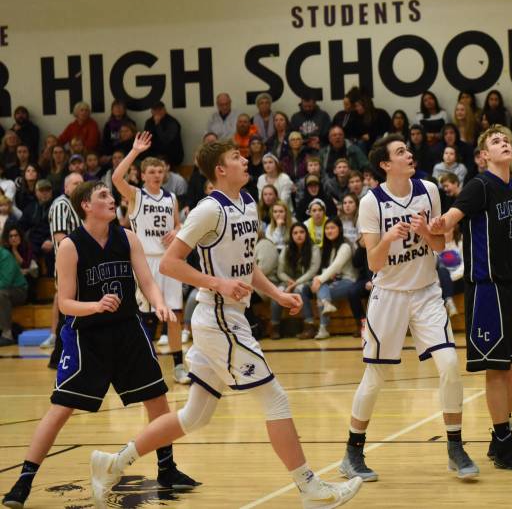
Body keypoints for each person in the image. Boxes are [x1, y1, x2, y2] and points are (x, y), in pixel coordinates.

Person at [89, 140, 362, 508]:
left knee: (194, 416)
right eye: (236, 157)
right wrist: (217, 283)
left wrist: (276, 294)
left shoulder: (247, 202)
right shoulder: (208, 210)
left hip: (228, 316)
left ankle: (113, 463)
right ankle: (310, 488)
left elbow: (246, 264)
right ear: (220, 169)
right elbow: (169, 263)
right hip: (217, 317)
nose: (244, 160)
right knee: (275, 399)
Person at [3, 181, 199, 509]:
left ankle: (167, 469)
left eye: (110, 194)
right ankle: (23, 481)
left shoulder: (128, 237)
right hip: (87, 335)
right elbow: (65, 302)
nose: (111, 199)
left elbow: (147, 281)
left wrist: (159, 303)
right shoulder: (70, 246)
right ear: (86, 206)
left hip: (128, 330)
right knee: (60, 408)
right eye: (103, 196)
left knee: (157, 400)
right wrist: (94, 306)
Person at [340, 134, 477, 482]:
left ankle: (455, 448)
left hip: (426, 292)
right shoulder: (371, 202)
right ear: (386, 164)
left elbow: (439, 245)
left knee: (449, 365)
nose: (409, 154)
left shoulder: (429, 190)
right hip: (389, 296)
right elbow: (373, 262)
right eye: (400, 152)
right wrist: (388, 238)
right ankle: (352, 453)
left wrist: (426, 232)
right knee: (375, 376)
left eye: (407, 150)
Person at [428, 127, 512, 471]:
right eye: (496, 142)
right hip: (485, 286)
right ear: (484, 155)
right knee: (498, 368)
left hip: (508, 287)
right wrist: (439, 223)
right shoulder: (479, 186)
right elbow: (452, 219)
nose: (504, 144)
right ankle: (502, 442)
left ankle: (503, 435)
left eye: (506, 141)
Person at [112, 132, 189, 385]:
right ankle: (144, 365)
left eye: (160, 171)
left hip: (169, 261)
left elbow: (178, 224)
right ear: (143, 175)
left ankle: (179, 366)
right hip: (145, 261)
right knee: (145, 316)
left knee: (174, 313)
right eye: (152, 171)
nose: (157, 175)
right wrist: (135, 151)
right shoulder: (136, 195)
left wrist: (177, 230)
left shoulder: (171, 198)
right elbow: (116, 178)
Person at [41, 173, 84, 366]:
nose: (80, 185)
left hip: (80, 262)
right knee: (67, 310)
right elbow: (60, 237)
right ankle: (58, 355)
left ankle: (65, 352)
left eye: (82, 182)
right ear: (66, 188)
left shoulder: (80, 205)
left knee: (74, 310)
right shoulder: (61, 205)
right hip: (68, 264)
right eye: (75, 183)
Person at [307, 217, 364, 339]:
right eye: (327, 228)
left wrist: (318, 279)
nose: (329, 231)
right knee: (321, 288)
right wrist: (320, 278)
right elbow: (328, 269)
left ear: (340, 229)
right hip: (335, 282)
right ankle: (326, 305)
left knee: (320, 289)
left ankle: (323, 328)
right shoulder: (328, 247)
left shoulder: (345, 246)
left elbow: (336, 266)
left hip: (349, 281)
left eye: (332, 228)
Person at [271, 222, 321, 340]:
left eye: (302, 232)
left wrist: (295, 283)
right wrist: (289, 281)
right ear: (291, 235)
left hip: (308, 282)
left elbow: (312, 271)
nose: (299, 235)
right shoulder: (286, 249)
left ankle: (310, 326)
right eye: (295, 233)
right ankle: (274, 327)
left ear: (306, 234)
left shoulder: (314, 248)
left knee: (299, 289)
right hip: (289, 281)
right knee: (278, 291)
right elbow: (280, 272)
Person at [0, 238, 27, 347]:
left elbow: (6, 281)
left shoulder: (5, 256)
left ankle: (7, 334)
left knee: (1, 294)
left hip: (19, 290)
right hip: (4, 289)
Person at [143, 102, 184, 167]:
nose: (157, 112)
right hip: (154, 154)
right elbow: (147, 139)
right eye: (155, 110)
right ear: (151, 111)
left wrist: (158, 125)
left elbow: (166, 140)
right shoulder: (149, 122)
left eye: (159, 109)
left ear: (164, 110)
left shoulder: (172, 122)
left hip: (171, 155)